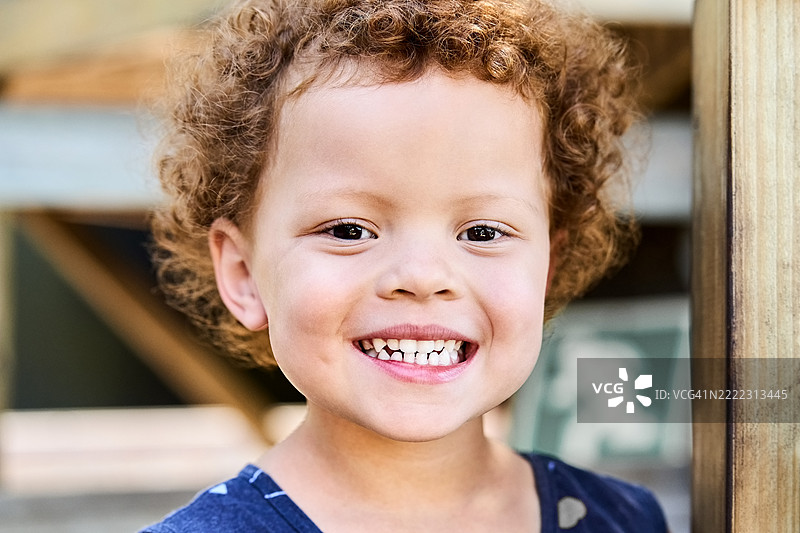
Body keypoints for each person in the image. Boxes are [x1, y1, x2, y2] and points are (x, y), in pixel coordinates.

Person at [142, 0, 668, 531]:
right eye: (349, 231)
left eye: (483, 233)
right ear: (243, 273)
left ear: (546, 268)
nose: (421, 276)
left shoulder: (624, 520)